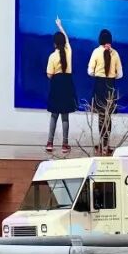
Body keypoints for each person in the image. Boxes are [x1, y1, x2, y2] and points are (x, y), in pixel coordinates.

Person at [87, 28, 123, 154]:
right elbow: (120, 75)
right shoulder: (115, 53)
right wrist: (111, 76)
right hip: (110, 86)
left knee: (101, 116)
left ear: (100, 39)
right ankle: (106, 146)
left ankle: (101, 145)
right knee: (108, 117)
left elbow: (90, 71)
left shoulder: (96, 52)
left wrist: (98, 73)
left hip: (99, 86)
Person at [45, 18, 76, 154]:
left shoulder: (52, 56)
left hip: (56, 85)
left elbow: (49, 75)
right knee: (65, 116)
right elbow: (67, 39)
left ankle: (50, 143)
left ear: (54, 44)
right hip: (67, 84)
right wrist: (60, 25)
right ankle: (65, 144)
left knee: (54, 115)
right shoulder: (68, 52)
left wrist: (58, 25)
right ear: (64, 43)